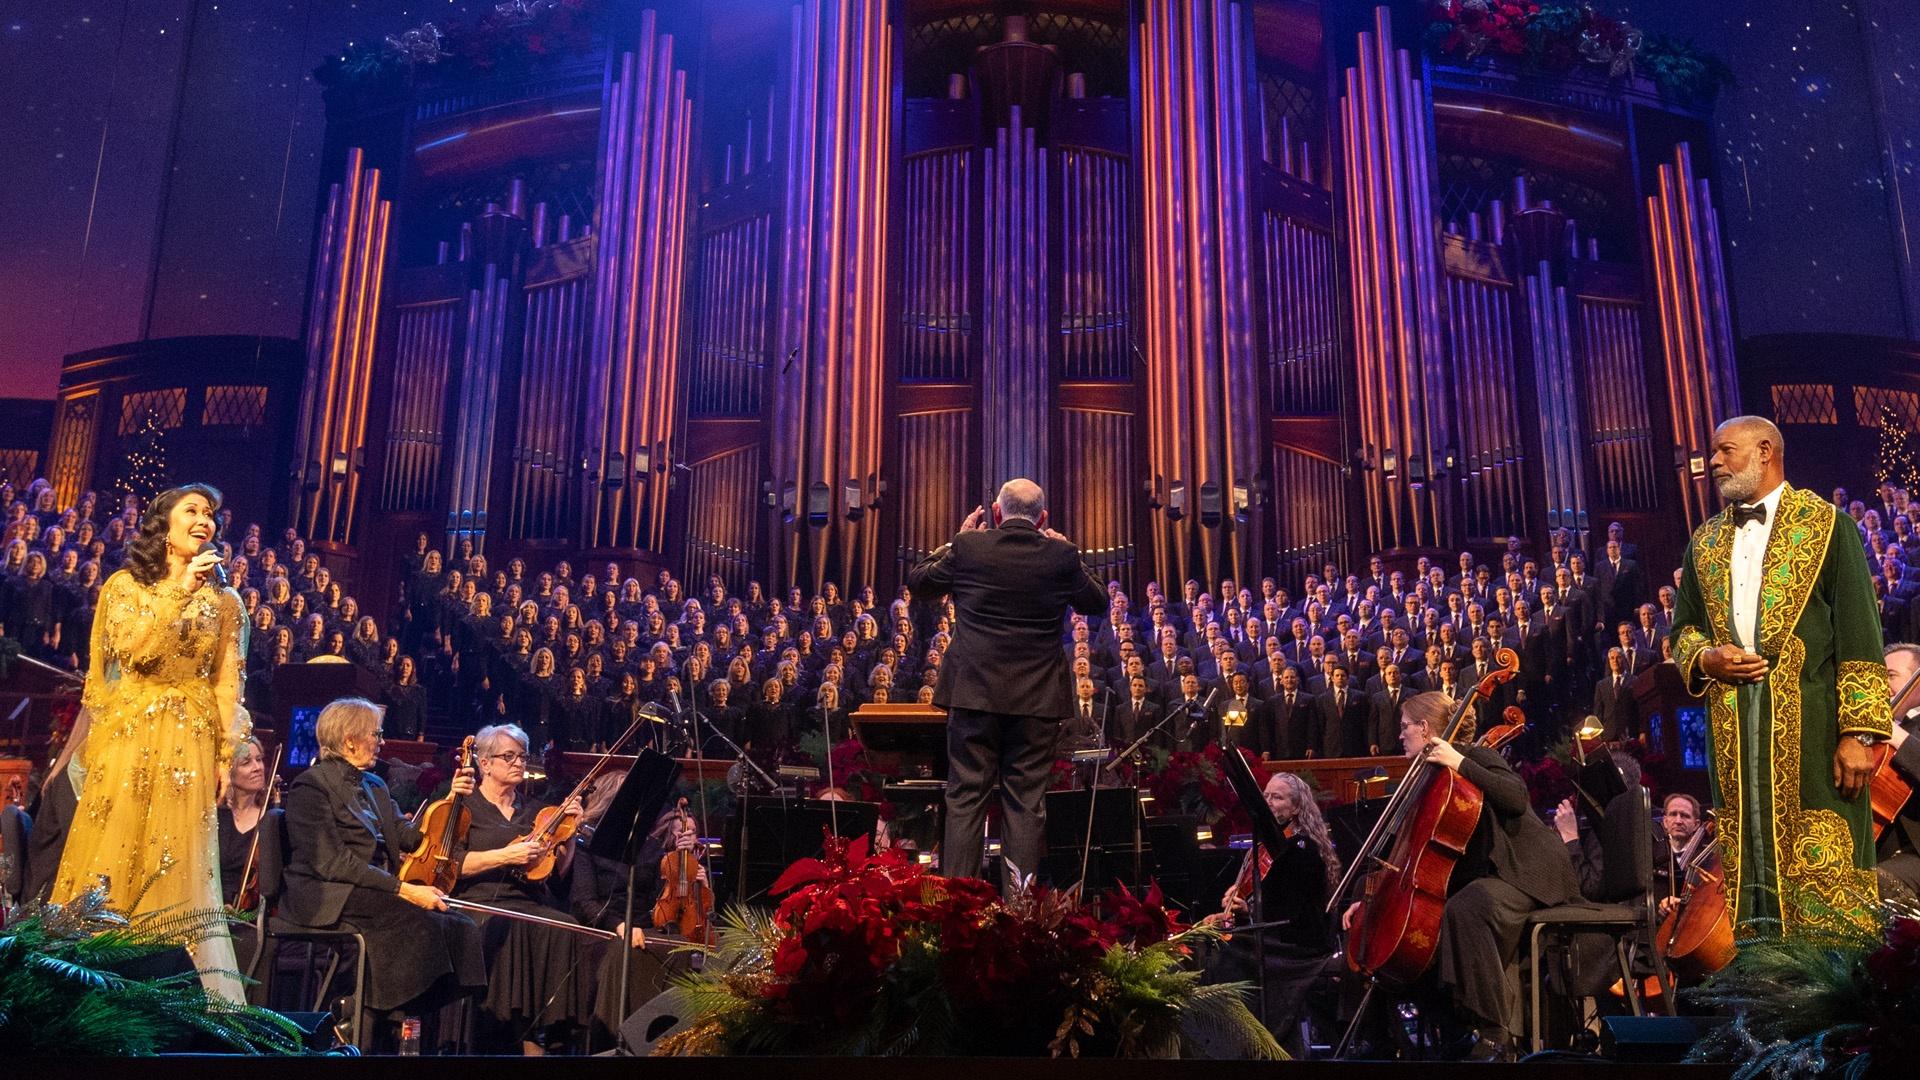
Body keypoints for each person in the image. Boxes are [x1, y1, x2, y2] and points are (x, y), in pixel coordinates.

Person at [1670, 416, 1891, 937]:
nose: (1714, 463)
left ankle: (1833, 1006)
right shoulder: (1703, 542)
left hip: (1813, 733)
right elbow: (1682, 630)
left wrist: (1858, 734)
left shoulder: (1828, 525)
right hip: (1735, 738)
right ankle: (1758, 997)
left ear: (1765, 451)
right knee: (1747, 865)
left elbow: (1860, 632)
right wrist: (1706, 659)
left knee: (1823, 867)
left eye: (1725, 451)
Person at [49, 484, 250, 1002]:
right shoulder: (124, 587)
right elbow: (131, 651)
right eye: (193, 510)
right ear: (164, 524)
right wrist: (181, 590)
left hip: (190, 743)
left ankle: (179, 1001)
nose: (206, 519)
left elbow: (228, 684)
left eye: (211, 514)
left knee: (177, 864)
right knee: (112, 857)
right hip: (128, 736)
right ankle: (85, 992)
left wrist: (226, 754)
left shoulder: (225, 603)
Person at [1340, 692, 1581, 1061]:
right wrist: (1374, 896)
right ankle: (1439, 1033)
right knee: (1430, 930)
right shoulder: (1429, 776)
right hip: (1490, 876)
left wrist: (1459, 760)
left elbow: (1516, 798)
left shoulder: (1474, 755)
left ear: (1425, 728)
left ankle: (1495, 1035)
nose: (1400, 735)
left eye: (1405, 727)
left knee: (1467, 908)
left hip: (1526, 873)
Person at [905, 479, 1106, 888]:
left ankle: (957, 909)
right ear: (1042, 519)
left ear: (996, 514)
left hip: (974, 694)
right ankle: (1020, 915)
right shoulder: (1061, 555)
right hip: (1037, 701)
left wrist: (955, 540)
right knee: (1026, 804)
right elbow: (1098, 601)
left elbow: (919, 581)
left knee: (964, 798)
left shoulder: (968, 547)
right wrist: (1069, 553)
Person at [279, 698, 486, 1043]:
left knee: (458, 923)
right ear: (349, 740)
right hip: (327, 891)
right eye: (376, 733)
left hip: (371, 888)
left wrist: (452, 797)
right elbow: (332, 862)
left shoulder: (374, 785)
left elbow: (412, 838)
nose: (382, 741)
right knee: (416, 920)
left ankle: (384, 1012)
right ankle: (368, 1014)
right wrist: (404, 890)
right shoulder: (310, 786)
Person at [451, 723, 592, 1054]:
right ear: (484, 763)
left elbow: (557, 876)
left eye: (522, 756)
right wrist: (505, 856)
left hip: (528, 900)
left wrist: (568, 838)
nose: (518, 763)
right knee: (510, 923)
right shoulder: (463, 805)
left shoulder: (534, 812)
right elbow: (453, 864)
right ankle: (511, 1034)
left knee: (566, 926)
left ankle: (548, 1033)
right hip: (479, 901)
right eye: (509, 756)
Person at [1200, 771, 1339, 1055]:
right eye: (1265, 795)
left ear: (1297, 807)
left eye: (1277, 797)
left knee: (1227, 953)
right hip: (1274, 935)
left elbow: (1290, 912)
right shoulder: (1264, 847)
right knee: (1208, 944)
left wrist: (1248, 911)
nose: (1268, 802)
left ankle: (1246, 1043)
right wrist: (1234, 910)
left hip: (1296, 946)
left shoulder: (1303, 849)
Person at [1875, 643, 1920, 898]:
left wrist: (1895, 735)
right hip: (1881, 849)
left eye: (1890, 676)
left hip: (1916, 853)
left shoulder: (1894, 731)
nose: (1881, 684)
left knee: (1868, 886)